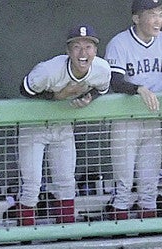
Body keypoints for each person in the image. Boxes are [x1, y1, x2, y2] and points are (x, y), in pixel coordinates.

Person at [14, 25, 111, 226]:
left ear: (95, 51)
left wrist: (89, 97)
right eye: (77, 47)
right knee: (32, 185)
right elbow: (24, 89)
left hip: (62, 124)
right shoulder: (49, 70)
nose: (83, 53)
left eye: (89, 47)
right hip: (34, 125)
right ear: (68, 51)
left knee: (66, 182)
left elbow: (102, 89)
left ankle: (65, 233)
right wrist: (57, 96)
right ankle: (26, 237)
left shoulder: (102, 69)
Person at [104, 0, 162, 220]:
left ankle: (146, 233)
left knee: (149, 184)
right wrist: (138, 88)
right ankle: (119, 234)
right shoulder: (119, 42)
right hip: (125, 121)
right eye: (152, 14)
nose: (159, 20)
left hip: (153, 119)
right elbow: (115, 80)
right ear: (136, 18)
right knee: (123, 184)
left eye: (160, 14)